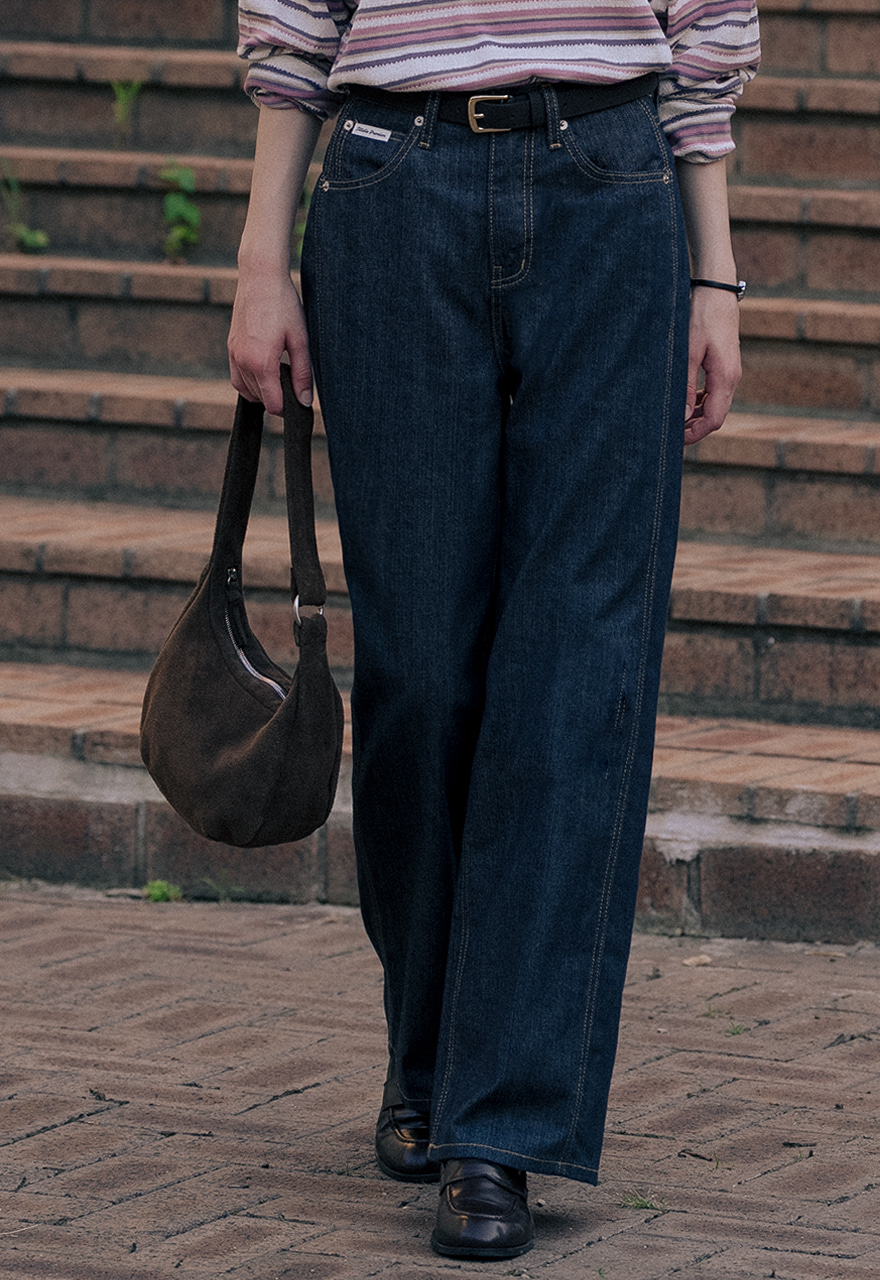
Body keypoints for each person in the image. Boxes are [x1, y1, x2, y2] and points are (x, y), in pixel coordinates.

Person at [229, 0, 760, 1261]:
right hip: (390, 182)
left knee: (578, 670)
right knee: (417, 674)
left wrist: (715, 275)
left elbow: (706, 24)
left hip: (610, 181)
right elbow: (294, 21)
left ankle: (500, 1126)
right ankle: (430, 1051)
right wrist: (260, 261)